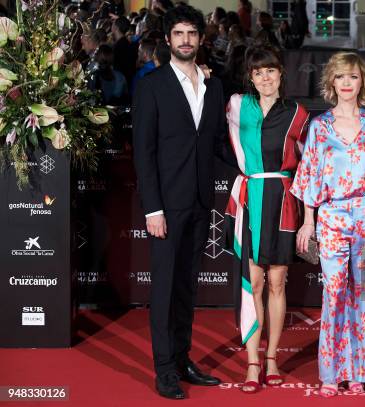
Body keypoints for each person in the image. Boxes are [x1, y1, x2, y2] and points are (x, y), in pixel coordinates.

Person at [132, 5, 226, 399]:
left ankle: (184, 358)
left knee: (187, 286)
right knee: (166, 288)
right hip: (166, 207)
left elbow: (219, 142)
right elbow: (143, 151)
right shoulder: (151, 85)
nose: (186, 40)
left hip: (201, 202)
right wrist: (152, 208)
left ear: (201, 39)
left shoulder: (214, 86)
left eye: (192, 33)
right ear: (168, 39)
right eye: (179, 34)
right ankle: (165, 369)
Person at [290, 52, 365, 397]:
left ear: (363, 82)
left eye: (354, 77)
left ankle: (358, 371)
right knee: (333, 294)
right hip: (331, 216)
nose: (347, 83)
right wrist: (307, 222)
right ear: (332, 82)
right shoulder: (320, 126)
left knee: (363, 295)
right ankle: (330, 373)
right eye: (341, 77)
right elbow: (309, 175)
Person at [224, 45, 309, 394]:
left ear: (281, 74)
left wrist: (309, 216)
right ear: (251, 77)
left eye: (270, 70)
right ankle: (253, 362)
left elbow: (307, 165)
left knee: (277, 283)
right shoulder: (236, 106)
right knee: (254, 284)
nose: (265, 77)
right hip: (250, 199)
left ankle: (272, 358)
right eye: (258, 72)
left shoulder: (298, 114)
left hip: (283, 201)